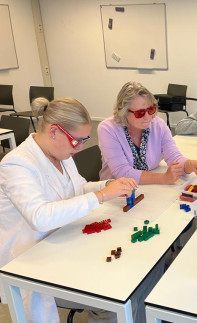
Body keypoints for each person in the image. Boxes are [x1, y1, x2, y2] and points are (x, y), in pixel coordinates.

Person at [0, 97, 137, 323]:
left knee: (128, 282)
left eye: (84, 140)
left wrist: (107, 185)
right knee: (111, 302)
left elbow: (77, 188)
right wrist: (102, 195)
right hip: (30, 260)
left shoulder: (60, 154)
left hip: (62, 243)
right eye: (77, 141)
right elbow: (40, 217)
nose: (81, 147)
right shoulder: (17, 164)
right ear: (54, 131)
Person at [98, 81, 197, 184]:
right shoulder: (108, 129)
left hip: (147, 188)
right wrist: (163, 178)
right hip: (115, 192)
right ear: (124, 112)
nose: (148, 117)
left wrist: (192, 165)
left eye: (151, 109)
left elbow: (174, 157)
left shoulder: (158, 125)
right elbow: (122, 172)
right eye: (140, 113)